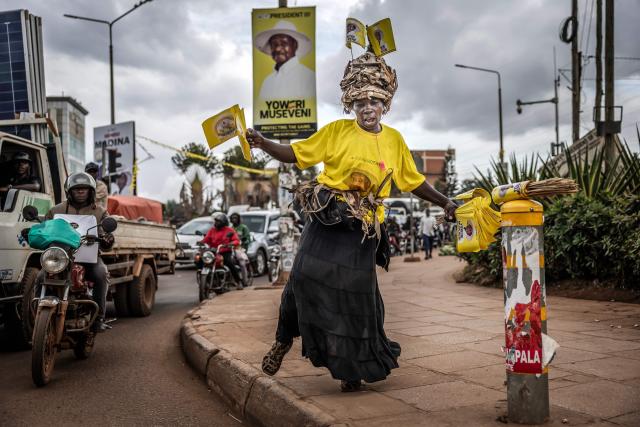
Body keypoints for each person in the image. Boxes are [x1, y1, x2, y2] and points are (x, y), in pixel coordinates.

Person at [246, 52, 457, 392]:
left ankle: (352, 370)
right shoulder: (336, 132)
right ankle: (283, 339)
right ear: (351, 104)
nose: (367, 107)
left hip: (363, 226)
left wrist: (445, 201)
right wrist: (264, 143)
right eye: (360, 101)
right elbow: (297, 155)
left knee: (355, 298)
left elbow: (413, 180)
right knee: (302, 277)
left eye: (374, 100)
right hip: (328, 216)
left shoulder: (394, 141)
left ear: (385, 104)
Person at [44, 172, 114, 332]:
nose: (81, 191)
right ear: (69, 191)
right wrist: (34, 231)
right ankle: (33, 315)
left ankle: (98, 319)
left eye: (84, 188)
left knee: (101, 274)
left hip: (90, 258)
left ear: (91, 191)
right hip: (60, 258)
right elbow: (45, 229)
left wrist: (107, 240)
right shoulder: (56, 210)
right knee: (41, 276)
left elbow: (106, 238)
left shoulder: (100, 212)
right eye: (77, 189)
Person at [255, 20, 315, 100]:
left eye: (284, 43)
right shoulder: (267, 82)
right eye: (274, 44)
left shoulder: (308, 77)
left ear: (295, 45)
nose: (278, 48)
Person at [199, 213, 243, 290]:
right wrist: (201, 242)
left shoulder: (229, 230)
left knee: (229, 263)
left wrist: (230, 244)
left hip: (225, 251)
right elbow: (207, 238)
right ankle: (205, 280)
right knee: (201, 260)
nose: (216, 223)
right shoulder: (212, 230)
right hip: (213, 251)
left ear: (223, 222)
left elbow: (236, 240)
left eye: (218, 221)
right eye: (215, 221)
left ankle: (238, 281)